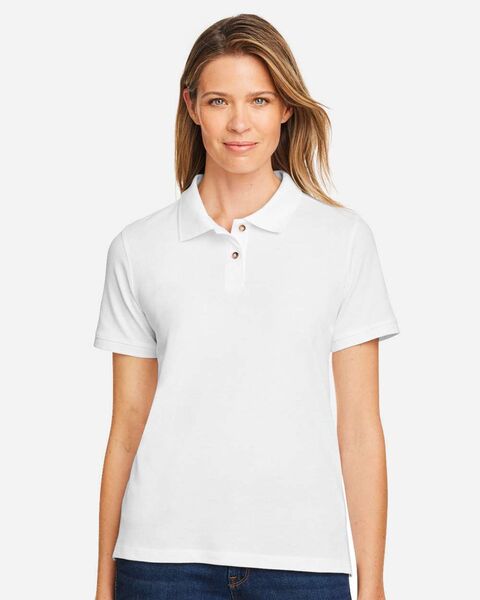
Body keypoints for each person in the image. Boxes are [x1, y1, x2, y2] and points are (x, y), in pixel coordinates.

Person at [93, 13, 400, 600]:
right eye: (219, 101)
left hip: (303, 563)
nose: (240, 123)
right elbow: (127, 425)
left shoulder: (343, 240)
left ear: (285, 108)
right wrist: (104, 582)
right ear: (191, 106)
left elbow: (360, 427)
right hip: (160, 563)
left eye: (259, 100)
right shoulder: (137, 247)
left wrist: (374, 584)